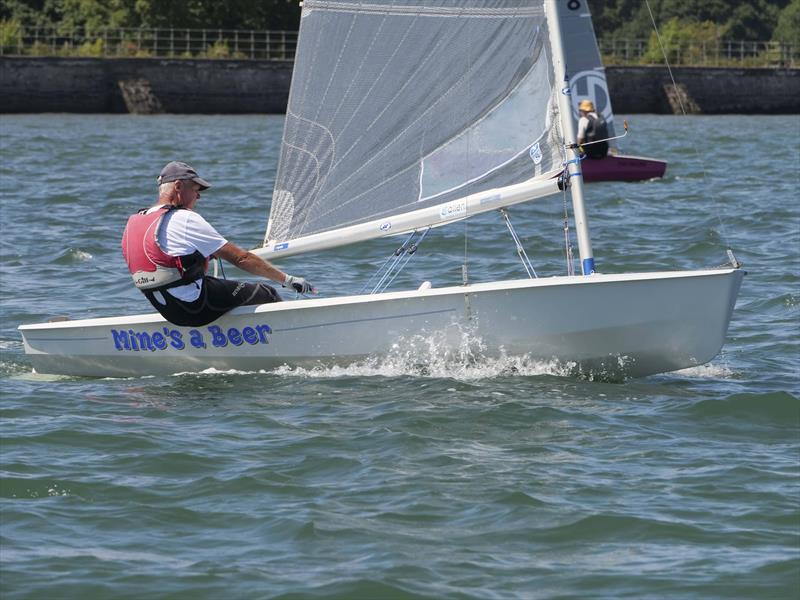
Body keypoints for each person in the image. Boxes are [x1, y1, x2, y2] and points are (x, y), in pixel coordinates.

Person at [122, 161, 314, 327]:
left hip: (168, 309)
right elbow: (242, 258)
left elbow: (162, 259)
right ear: (178, 186)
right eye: (196, 190)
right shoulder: (184, 218)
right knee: (266, 292)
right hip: (195, 307)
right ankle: (285, 340)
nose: (199, 196)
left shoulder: (134, 223)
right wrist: (287, 280)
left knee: (222, 288)